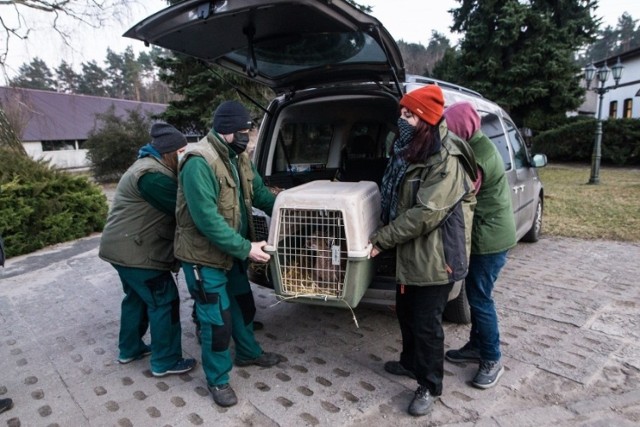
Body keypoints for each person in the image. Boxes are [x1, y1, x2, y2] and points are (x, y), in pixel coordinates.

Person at [368, 85, 477, 417]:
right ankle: (409, 363)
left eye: (408, 115)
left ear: (426, 120)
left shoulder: (447, 157)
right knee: (405, 311)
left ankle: (430, 385)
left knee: (427, 322)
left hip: (435, 257)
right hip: (411, 252)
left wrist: (381, 239)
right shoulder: (408, 148)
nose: (401, 119)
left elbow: (426, 213)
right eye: (401, 113)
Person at [175, 100, 282, 408]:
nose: (249, 136)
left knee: (243, 306)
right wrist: (247, 247)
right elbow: (206, 220)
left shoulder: (239, 157)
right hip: (204, 258)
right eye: (245, 131)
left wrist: (293, 209)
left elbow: (259, 193)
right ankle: (218, 379)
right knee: (217, 322)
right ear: (226, 131)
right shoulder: (199, 162)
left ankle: (249, 353)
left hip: (232, 250)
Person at [99, 121, 196, 377]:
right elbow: (184, 210)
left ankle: (129, 349)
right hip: (138, 253)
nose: (185, 156)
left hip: (121, 249)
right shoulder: (154, 176)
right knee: (164, 300)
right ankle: (165, 361)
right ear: (170, 153)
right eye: (182, 152)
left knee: (137, 299)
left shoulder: (146, 166)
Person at [442, 101, 516, 389]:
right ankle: (476, 346)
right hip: (490, 233)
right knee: (476, 294)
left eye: (452, 130)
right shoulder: (478, 143)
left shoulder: (479, 155)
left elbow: (461, 192)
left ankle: (492, 359)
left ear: (463, 129)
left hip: (490, 237)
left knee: (481, 299)